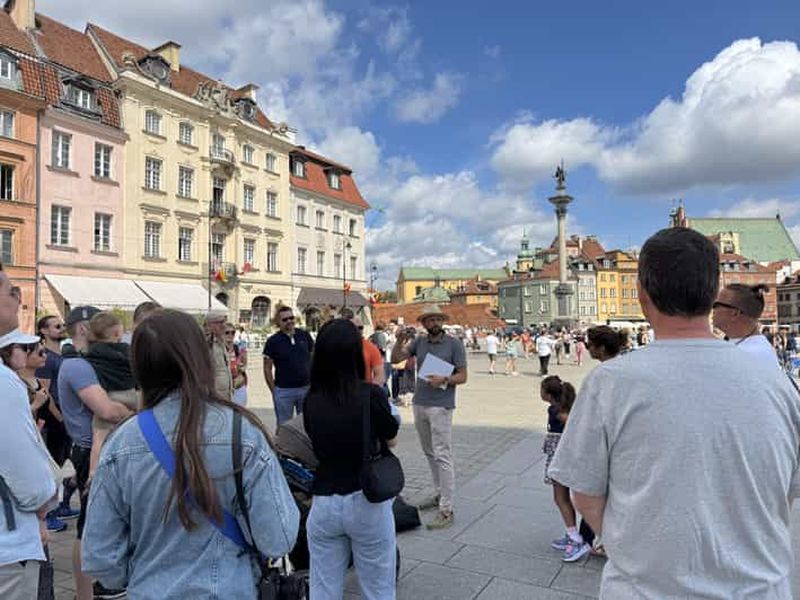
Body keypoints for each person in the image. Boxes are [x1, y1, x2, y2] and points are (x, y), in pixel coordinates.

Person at [549, 227, 800, 598]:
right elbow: (787, 489)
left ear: (642, 293)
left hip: (647, 588)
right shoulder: (777, 383)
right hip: (759, 588)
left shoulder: (612, 382)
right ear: (712, 295)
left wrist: (633, 547)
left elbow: (584, 493)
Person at [81, 309, 299, 599]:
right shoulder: (242, 433)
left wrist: (144, 570)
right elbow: (278, 536)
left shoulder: (121, 443)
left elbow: (100, 558)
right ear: (201, 358)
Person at [303, 319, 399, 599]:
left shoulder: (312, 399)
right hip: (366, 496)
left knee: (323, 587)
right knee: (378, 586)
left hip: (324, 499)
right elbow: (391, 438)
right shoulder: (371, 395)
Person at [57, 305, 132, 600]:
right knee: (88, 527)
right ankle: (85, 594)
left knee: (102, 522)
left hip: (100, 445)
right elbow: (108, 410)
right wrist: (140, 409)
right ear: (84, 329)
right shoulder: (77, 365)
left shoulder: (91, 361)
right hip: (90, 449)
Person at [0, 268, 58, 600]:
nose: (17, 299)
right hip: (8, 549)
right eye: (10, 292)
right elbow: (33, 488)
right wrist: (48, 498)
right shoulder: (4, 383)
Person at [391, 304, 467, 529]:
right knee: (429, 452)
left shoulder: (454, 344)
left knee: (443, 454)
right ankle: (438, 493)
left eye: (437, 319)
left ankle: (447, 508)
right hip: (420, 402)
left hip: (441, 405)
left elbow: (462, 376)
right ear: (423, 323)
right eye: (429, 320)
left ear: (441, 321)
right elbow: (396, 359)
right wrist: (398, 341)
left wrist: (444, 380)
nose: (434, 323)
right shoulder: (420, 342)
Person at [35, 315, 78, 531]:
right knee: (53, 466)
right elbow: (45, 393)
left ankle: (63, 505)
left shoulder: (64, 355)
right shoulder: (45, 357)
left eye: (63, 325)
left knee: (67, 464)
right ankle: (49, 513)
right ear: (43, 331)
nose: (62, 328)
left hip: (66, 418)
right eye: (57, 326)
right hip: (54, 421)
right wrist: (61, 418)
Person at [84, 312, 138, 477]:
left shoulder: (91, 353)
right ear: (117, 332)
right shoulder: (127, 351)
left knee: (100, 437)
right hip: (132, 395)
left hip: (109, 396)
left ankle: (93, 474)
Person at [540, 375, 588, 562]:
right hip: (563, 456)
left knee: (560, 497)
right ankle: (571, 533)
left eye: (542, 390)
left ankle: (576, 540)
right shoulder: (562, 407)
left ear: (549, 394)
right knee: (562, 497)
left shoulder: (555, 410)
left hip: (560, 458)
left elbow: (572, 424)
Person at [263, 305, 314, 427]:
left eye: (291, 318)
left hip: (305, 389)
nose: (289, 321)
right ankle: (282, 447)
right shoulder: (273, 341)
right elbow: (267, 368)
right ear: (278, 322)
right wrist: (274, 390)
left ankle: (304, 447)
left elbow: (313, 358)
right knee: (284, 427)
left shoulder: (304, 336)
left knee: (306, 425)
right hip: (284, 391)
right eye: (285, 319)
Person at [712, 283, 780, 370]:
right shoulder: (747, 346)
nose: (713, 309)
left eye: (716, 305)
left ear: (735, 313)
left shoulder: (752, 353)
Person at [205, 311, 233, 402]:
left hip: (226, 394)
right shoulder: (206, 343)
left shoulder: (221, 341)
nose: (223, 325)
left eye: (224, 322)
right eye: (219, 322)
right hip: (213, 395)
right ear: (209, 325)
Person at [353, 316, 385, 386]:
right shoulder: (340, 346)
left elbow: (380, 376)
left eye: (360, 328)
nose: (358, 330)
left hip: (364, 391)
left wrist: (369, 390)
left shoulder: (370, 348)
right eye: (354, 327)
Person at [223, 322, 249, 406]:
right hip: (224, 388)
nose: (230, 335)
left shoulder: (239, 349)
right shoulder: (218, 349)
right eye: (227, 332)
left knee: (239, 413)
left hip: (238, 386)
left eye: (233, 332)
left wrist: (241, 364)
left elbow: (244, 366)